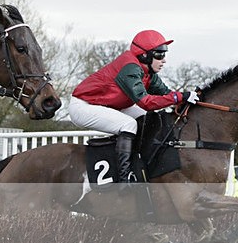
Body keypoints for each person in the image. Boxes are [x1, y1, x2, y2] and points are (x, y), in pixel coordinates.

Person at [68, 30, 199, 185]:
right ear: (144, 55)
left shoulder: (148, 73)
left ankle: (141, 164)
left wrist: (187, 98)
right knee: (129, 124)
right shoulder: (130, 67)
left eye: (164, 54)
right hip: (83, 106)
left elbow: (167, 94)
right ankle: (124, 178)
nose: (163, 60)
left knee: (146, 117)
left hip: (106, 105)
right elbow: (146, 101)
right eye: (159, 55)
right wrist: (179, 96)